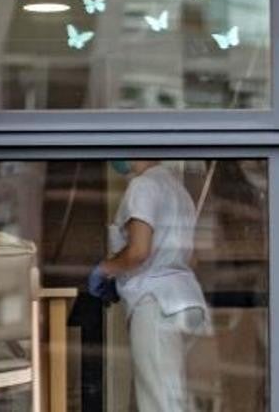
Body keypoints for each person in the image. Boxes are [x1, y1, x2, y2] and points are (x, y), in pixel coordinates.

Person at [87, 160, 209, 412]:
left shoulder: (144, 186)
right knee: (177, 399)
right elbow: (192, 257)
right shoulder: (178, 189)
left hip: (156, 304)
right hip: (185, 302)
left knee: (159, 404)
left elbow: (139, 251)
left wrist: (106, 269)